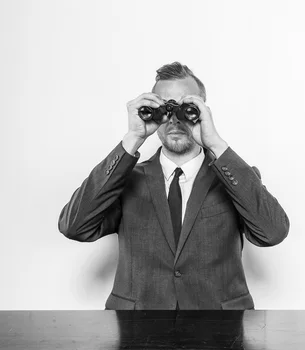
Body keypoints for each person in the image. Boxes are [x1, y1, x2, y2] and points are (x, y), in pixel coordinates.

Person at [58, 62, 290, 310]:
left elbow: (272, 232)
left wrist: (216, 144)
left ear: (202, 110)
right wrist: (133, 138)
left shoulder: (234, 177)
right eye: (165, 108)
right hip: (138, 333)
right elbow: (75, 226)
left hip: (219, 333)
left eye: (186, 107)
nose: (174, 119)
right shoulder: (126, 179)